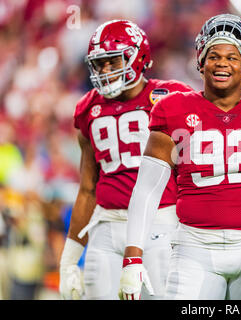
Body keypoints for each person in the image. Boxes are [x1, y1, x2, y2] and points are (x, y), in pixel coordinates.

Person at [118, 14, 241, 300]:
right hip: (195, 249)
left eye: (232, 57)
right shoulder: (173, 109)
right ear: (200, 60)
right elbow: (147, 189)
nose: (222, 63)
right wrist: (133, 256)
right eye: (214, 55)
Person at [58, 19, 193, 300]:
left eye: (113, 61)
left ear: (137, 57)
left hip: (160, 223)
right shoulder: (88, 109)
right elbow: (87, 189)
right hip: (107, 225)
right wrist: (69, 260)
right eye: (100, 63)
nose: (105, 70)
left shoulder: (171, 97)